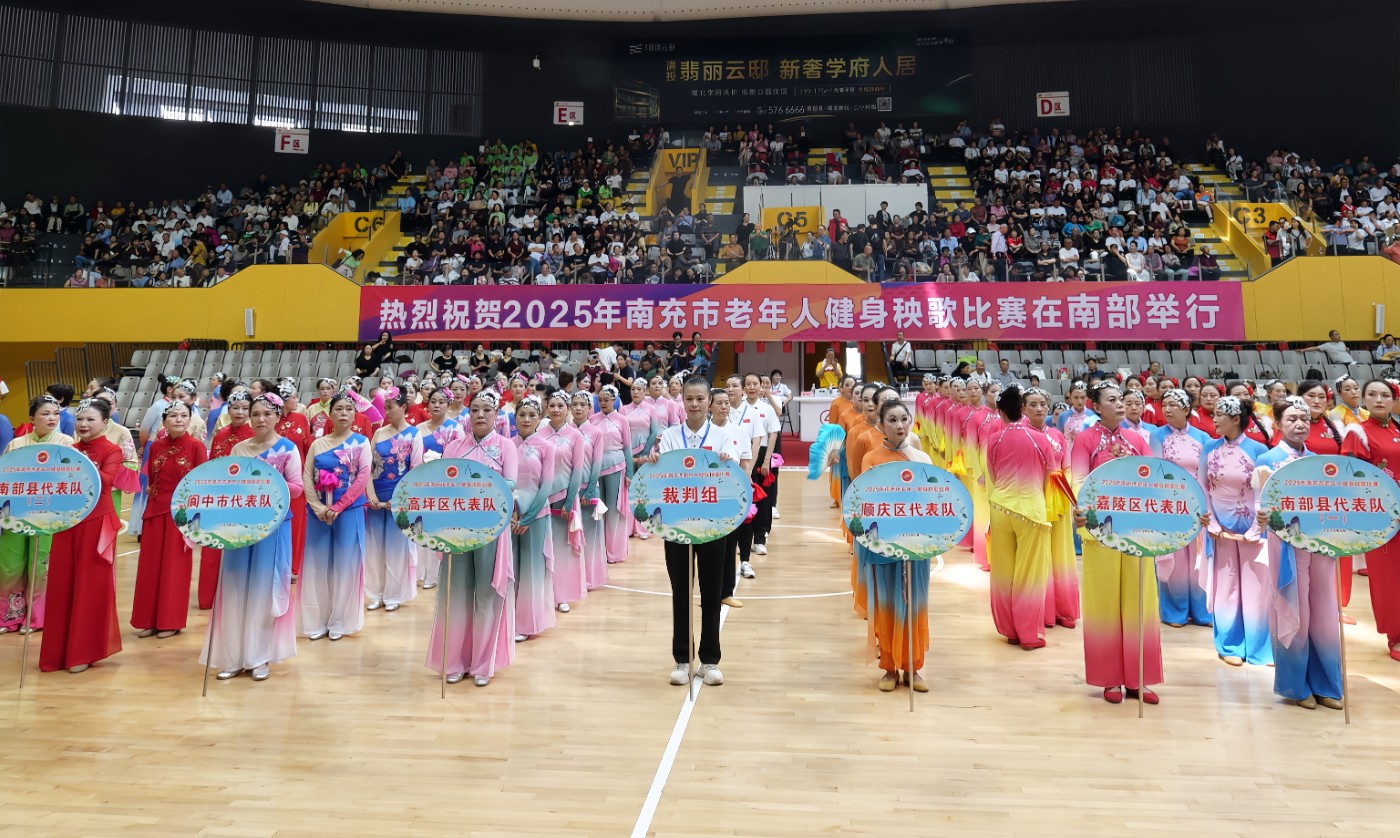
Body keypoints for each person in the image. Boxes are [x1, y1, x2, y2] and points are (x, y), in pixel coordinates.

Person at [204, 393, 303, 682]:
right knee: (235, 589)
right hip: (240, 527)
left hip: (273, 528)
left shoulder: (288, 448)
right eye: (256, 414)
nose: (261, 419)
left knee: (263, 589)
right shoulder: (238, 448)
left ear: (278, 417)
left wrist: (268, 480)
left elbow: (297, 488)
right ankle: (234, 656)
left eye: (267, 414)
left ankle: (259, 657)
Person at [1071, 382, 1158, 705]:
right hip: (1101, 532)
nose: (1120, 404)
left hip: (1136, 531)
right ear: (1096, 407)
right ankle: (1110, 678)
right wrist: (1082, 511)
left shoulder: (1137, 439)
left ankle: (1139, 678)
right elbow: (1079, 481)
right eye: (1112, 400)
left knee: (1140, 602)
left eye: (1121, 398)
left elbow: (1154, 480)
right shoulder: (1085, 440)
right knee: (1104, 603)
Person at [1255, 397, 1343, 710]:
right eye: (1291, 419)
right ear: (1278, 423)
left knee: (1324, 613)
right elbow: (1259, 506)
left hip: (1319, 543)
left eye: (1304, 419)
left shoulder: (1319, 461)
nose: (1300, 424)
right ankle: (1295, 685)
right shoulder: (1267, 459)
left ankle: (1326, 684)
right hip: (1286, 544)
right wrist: (1261, 517)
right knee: (1294, 610)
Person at [654, 376, 742, 687]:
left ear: (710, 402)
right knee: (681, 591)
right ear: (682, 401)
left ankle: (710, 660)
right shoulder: (669, 436)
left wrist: (727, 465)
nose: (694, 404)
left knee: (711, 591)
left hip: (713, 525)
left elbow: (733, 480)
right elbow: (661, 478)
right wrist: (655, 463)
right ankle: (682, 659)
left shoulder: (722, 437)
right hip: (677, 525)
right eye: (689, 399)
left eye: (700, 399)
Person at [430, 390, 518, 687]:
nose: (480, 414)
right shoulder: (454, 447)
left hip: (491, 528)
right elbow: (440, 484)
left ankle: (482, 664)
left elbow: (510, 483)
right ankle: (454, 661)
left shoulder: (506, 446)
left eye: (487, 410)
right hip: (457, 529)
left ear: (497, 415)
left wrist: (477, 485)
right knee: (455, 593)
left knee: (486, 595)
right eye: (475, 409)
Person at [39, 398, 124, 673]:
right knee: (62, 581)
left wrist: (84, 465)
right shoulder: (69, 450)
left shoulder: (112, 450)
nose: (83, 424)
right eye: (79, 419)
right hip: (67, 521)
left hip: (96, 522)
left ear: (104, 422)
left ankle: (83, 651)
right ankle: (58, 651)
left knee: (90, 584)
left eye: (90, 419)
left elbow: (107, 482)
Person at [858, 398, 934, 692]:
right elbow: (866, 501)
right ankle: (889, 667)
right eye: (892, 420)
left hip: (917, 544)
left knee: (915, 603)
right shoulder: (872, 459)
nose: (899, 425)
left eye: (904, 419)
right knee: (888, 604)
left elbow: (934, 500)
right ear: (881, 425)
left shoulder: (922, 459)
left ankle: (914, 668)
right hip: (883, 543)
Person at [1200, 395, 1273, 667]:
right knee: (1226, 586)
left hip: (1253, 528)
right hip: (1220, 528)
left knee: (1257, 589)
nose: (1214, 419)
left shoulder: (1258, 450)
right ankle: (1229, 645)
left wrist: (1257, 527)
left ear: (1235, 419)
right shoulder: (1209, 447)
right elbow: (1202, 486)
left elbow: (1264, 491)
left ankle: (1259, 648)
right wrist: (1211, 521)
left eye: (1220, 415)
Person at [985, 386, 1057, 650]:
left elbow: (993, 474)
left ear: (1000, 412)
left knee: (1003, 572)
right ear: (1023, 409)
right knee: (1030, 574)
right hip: (1031, 511)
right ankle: (1028, 634)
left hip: (1000, 507)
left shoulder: (994, 439)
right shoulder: (1040, 439)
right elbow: (1050, 476)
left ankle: (1010, 631)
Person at [131, 401, 207, 639]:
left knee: (175, 569)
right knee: (150, 568)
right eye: (173, 415)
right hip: (154, 511)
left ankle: (170, 621)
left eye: (184, 415)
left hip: (180, 515)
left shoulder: (196, 447)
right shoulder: (156, 446)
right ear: (164, 421)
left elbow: (201, 482)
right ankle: (149, 620)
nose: (179, 419)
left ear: (190, 420)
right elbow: (152, 478)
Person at [0, 395, 74, 634]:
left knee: (41, 564)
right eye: (45, 413)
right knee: (10, 564)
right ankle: (9, 616)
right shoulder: (16, 444)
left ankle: (36, 618)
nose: (52, 418)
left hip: (49, 513)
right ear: (31, 418)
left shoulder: (67, 443)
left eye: (56, 413)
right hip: (15, 513)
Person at [301, 393, 371, 642]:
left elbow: (362, 477)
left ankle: (340, 620)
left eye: (348, 409)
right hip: (319, 513)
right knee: (318, 566)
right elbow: (307, 475)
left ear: (355, 415)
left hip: (349, 511)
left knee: (345, 566)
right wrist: (317, 506)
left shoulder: (361, 442)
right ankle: (319, 619)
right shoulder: (318, 444)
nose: (343, 413)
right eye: (338, 409)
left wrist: (339, 506)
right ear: (329, 414)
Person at [1340, 379, 1400, 662]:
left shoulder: (1397, 428)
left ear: (1393, 399)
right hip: (1383, 516)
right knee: (1389, 578)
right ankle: (1396, 635)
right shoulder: (1357, 432)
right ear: (1363, 399)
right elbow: (1353, 479)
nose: (1379, 399)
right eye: (1372, 394)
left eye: (1385, 395)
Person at [1148, 389, 1214, 628]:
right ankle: (1174, 612)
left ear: (1186, 409)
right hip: (1170, 504)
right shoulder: (1157, 436)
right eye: (1164, 405)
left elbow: (1206, 473)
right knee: (1174, 560)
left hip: (1198, 503)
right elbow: (1157, 470)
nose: (1167, 409)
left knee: (1197, 560)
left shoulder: (1203, 437)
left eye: (1173, 405)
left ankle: (1202, 611)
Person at [364, 387, 422, 614]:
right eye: (385, 407)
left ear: (404, 407)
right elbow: (368, 468)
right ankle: (375, 593)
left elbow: (415, 470)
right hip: (376, 498)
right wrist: (371, 495)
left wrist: (400, 498)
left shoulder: (414, 434)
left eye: (390, 407)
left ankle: (393, 594)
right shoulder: (379, 433)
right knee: (375, 548)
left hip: (400, 498)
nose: (386, 412)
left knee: (397, 549)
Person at [199, 392, 255, 610]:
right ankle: (208, 596)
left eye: (244, 408)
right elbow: (212, 465)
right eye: (235, 408)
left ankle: (237, 596)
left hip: (244, 500)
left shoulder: (254, 435)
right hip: (219, 499)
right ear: (228, 409)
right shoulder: (220, 434)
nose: (239, 412)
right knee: (212, 546)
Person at [536, 392, 587, 613]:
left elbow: (577, 470)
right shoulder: (538, 434)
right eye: (552, 405)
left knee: (564, 548)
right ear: (547, 408)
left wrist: (569, 500)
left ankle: (562, 595)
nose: (556, 409)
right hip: (541, 499)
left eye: (560, 405)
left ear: (567, 409)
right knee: (543, 547)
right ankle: (543, 594)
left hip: (565, 498)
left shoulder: (575, 436)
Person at [510, 396, 557, 641]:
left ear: (540, 418)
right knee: (509, 568)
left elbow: (546, 486)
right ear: (515, 417)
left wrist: (527, 518)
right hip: (509, 516)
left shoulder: (546, 447)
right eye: (522, 415)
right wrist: (511, 513)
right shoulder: (507, 445)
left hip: (536, 515)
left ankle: (526, 623)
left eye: (532, 415)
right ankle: (507, 621)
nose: (526, 419)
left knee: (531, 569)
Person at [712, 385, 756, 606]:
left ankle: (726, 592)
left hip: (731, 496)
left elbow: (745, 465)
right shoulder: (704, 432)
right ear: (709, 406)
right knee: (710, 547)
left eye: (726, 403)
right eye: (719, 403)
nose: (724, 407)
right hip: (707, 497)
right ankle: (709, 592)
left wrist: (745, 491)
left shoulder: (739, 432)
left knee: (730, 546)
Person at [416, 388, 462, 590]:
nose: (436, 405)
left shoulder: (455, 428)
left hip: (445, 484)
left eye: (441, 402)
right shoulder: (418, 429)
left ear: (448, 404)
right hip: (422, 483)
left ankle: (435, 574)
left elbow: (459, 458)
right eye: (433, 401)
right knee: (421, 526)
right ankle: (421, 571)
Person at [589, 385, 633, 565]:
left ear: (614, 400)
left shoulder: (622, 420)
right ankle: (599, 550)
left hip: (616, 465)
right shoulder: (592, 419)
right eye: (600, 400)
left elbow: (627, 448)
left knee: (614, 509)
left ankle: (614, 551)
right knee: (599, 508)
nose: (603, 403)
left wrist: (629, 473)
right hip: (596, 467)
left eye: (606, 400)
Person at [739, 373, 781, 557]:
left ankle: (760, 538)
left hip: (762, 454)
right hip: (742, 455)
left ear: (761, 386)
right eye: (748, 384)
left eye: (755, 383)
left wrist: (766, 460)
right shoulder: (738, 409)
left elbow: (773, 434)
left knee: (762, 498)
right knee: (744, 496)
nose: (752, 387)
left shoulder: (767, 408)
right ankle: (743, 540)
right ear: (743, 388)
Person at [273, 383, 312, 577]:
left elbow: (307, 447)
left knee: (297, 523)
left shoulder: (301, 418)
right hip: (272, 482)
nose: (297, 400)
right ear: (283, 400)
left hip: (297, 480)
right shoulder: (270, 420)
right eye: (294, 397)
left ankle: (294, 568)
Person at [570, 391, 607, 591]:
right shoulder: (566, 431)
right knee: (572, 535)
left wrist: (590, 490)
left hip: (588, 490)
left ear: (589, 408)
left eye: (582, 404)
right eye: (574, 404)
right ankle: (574, 579)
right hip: (569, 491)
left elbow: (596, 464)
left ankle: (590, 578)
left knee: (591, 536)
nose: (578, 408)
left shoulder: (595, 432)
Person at [620, 380, 663, 541]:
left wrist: (644, 453)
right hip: (628, 454)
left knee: (644, 490)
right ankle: (628, 527)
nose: (636, 392)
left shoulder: (651, 409)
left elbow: (654, 432)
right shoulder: (623, 409)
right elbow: (621, 432)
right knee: (629, 489)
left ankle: (643, 526)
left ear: (644, 391)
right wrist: (629, 454)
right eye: (633, 389)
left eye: (639, 389)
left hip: (646, 454)